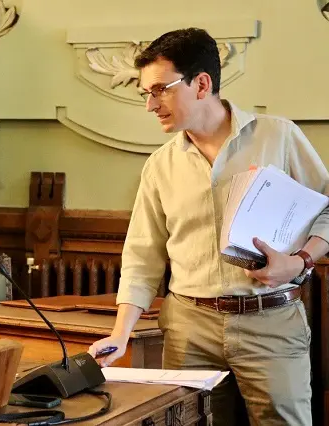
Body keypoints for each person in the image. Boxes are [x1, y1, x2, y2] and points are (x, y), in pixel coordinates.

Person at [88, 28, 328, 425]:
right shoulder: (160, 166)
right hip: (188, 328)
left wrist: (300, 261)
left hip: (271, 320)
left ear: (201, 84)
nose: (150, 104)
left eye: (160, 90)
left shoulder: (279, 136)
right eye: (146, 93)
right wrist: (120, 333)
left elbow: (327, 209)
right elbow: (142, 257)